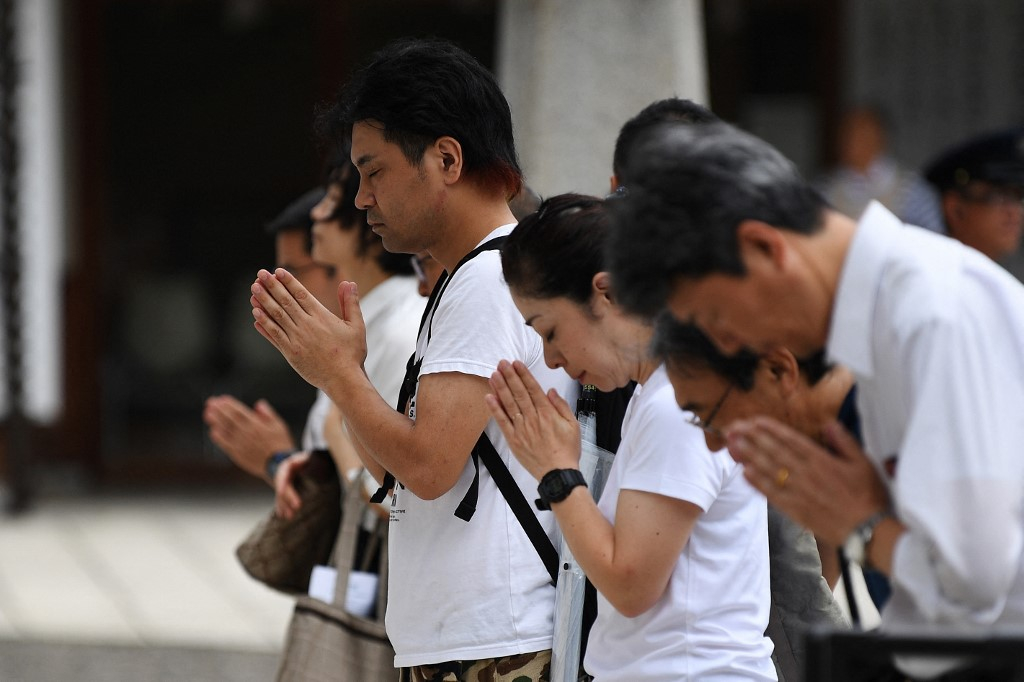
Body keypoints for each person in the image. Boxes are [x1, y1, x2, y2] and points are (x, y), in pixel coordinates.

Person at [607, 120, 1024, 676]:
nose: (731, 345)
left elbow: (977, 590)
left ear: (762, 248)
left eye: (716, 319)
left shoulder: (926, 312)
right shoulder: (893, 311)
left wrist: (861, 521)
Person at [249, 38, 575, 681]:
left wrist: (339, 374)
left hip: (493, 643)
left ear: (446, 159)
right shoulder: (472, 278)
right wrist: (346, 379)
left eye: (374, 173)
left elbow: (427, 467)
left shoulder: (485, 283)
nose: (362, 198)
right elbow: (400, 472)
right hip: (473, 638)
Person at [486, 193, 776, 681]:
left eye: (550, 330)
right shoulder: (664, 390)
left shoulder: (676, 402)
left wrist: (558, 473)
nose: (551, 358)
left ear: (607, 294)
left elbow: (631, 585)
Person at [204, 188, 338, 482]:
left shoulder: (396, 340)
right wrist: (279, 463)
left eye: (291, 273)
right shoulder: (344, 351)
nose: (278, 289)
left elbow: (391, 503)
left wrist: (279, 461)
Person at [817, 106, 943, 232]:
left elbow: (932, 237)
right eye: (845, 132)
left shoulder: (911, 189)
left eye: (861, 131)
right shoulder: (826, 190)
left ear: (881, 136)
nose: (849, 139)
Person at [923, 126, 1024, 265]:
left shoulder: (997, 282)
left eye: (1018, 197)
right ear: (956, 210)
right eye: (1000, 197)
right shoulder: (930, 273)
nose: (1014, 212)